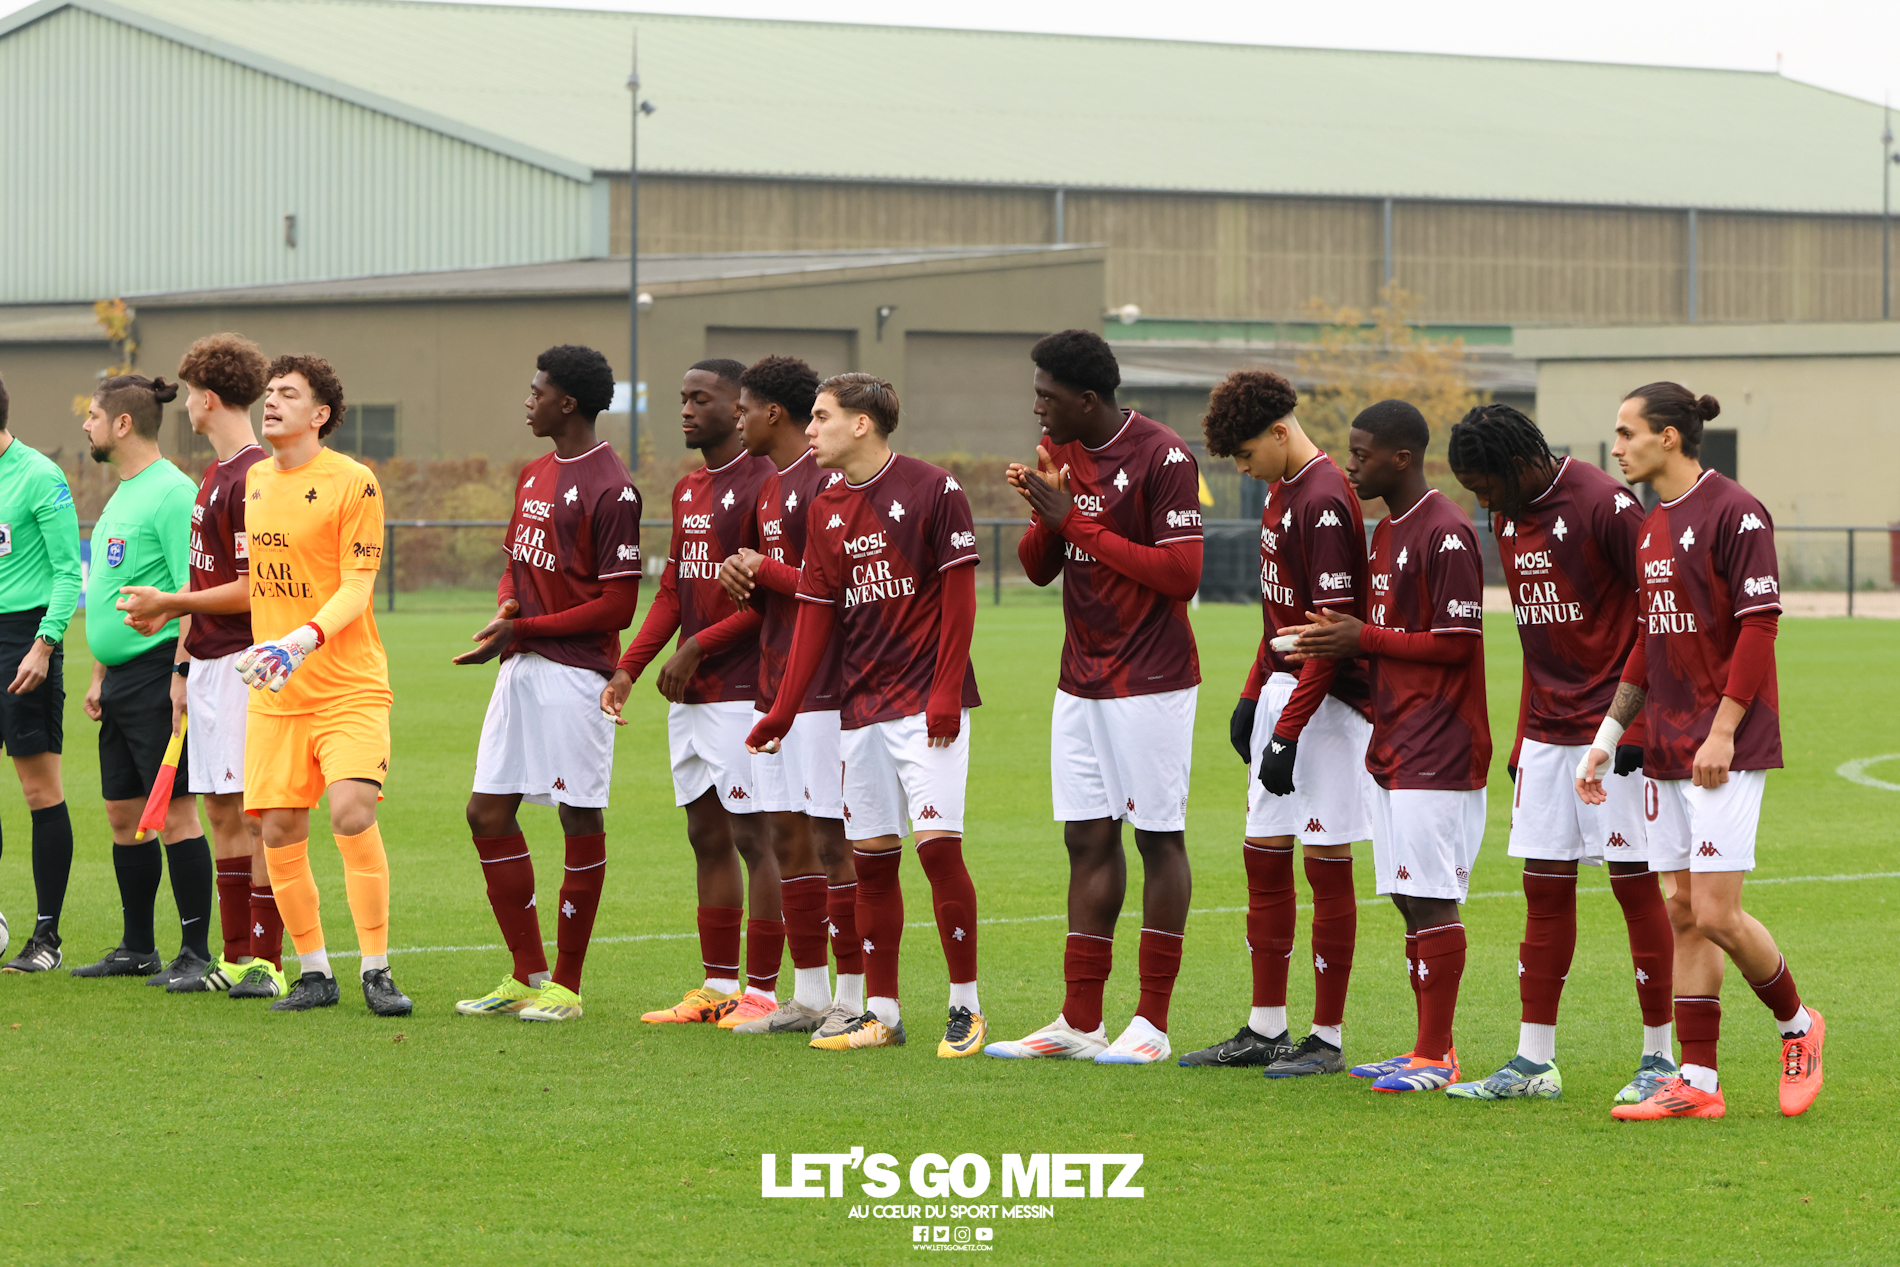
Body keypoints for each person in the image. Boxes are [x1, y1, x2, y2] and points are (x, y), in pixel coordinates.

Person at [1580, 382, 1823, 1121]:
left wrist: (1723, 730)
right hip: (1666, 745)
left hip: (1726, 745)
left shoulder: (1737, 512)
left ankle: (1798, 1023)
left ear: (1671, 438)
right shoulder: (1653, 523)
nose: (1616, 447)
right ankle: (1699, 1083)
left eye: (1627, 433)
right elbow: (1647, 643)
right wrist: (1608, 736)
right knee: (1683, 909)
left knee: (1717, 911)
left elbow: (1759, 627)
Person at [746, 373, 987, 1058]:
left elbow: (960, 601)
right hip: (863, 708)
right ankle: (880, 1012)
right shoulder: (824, 506)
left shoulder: (933, 489)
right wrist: (784, 713)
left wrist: (946, 692)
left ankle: (965, 1007)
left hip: (927, 707)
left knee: (939, 849)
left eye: (821, 417)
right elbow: (816, 620)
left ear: (861, 425)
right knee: (873, 860)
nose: (810, 429)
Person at [1443, 404, 1676, 1104]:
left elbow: (1656, 617)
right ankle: (1533, 1060)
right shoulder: (1506, 515)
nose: (1482, 502)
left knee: (1636, 888)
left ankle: (1659, 1057)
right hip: (1547, 732)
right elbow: (1534, 637)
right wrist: (1522, 736)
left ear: (1518, 464)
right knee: (1542, 889)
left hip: (1614, 730)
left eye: (1485, 485)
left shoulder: (1605, 505)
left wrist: (1630, 728)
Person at [984, 330, 1201, 1066]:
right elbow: (1043, 567)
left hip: (1152, 680)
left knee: (1156, 837)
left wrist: (1072, 515)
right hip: (1080, 678)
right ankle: (1080, 1019)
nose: (1035, 406)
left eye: (1046, 394)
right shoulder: (1068, 456)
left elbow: (1179, 573)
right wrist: (1048, 505)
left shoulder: (1163, 455)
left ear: (1087, 398)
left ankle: (1152, 1023)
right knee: (1086, 839)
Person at [1282, 399, 1488, 1094]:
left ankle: (1439, 1054)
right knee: (1407, 896)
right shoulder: (1382, 533)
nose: (1351, 463)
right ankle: (1425, 1047)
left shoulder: (1448, 532)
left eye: (1363, 452)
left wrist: (1357, 638)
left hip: (1443, 742)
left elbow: (1458, 646)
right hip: (1395, 739)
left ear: (1402, 456)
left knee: (1431, 896)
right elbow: (1378, 634)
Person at [1180, 369, 1371, 1077]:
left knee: (1324, 862)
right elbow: (1278, 616)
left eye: (1246, 453)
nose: (1242, 467)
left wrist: (1289, 729)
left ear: (1281, 432)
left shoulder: (1323, 498)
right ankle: (1265, 1026)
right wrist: (1250, 693)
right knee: (1263, 853)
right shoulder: (1281, 489)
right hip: (1283, 695)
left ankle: (1325, 1036)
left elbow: (1328, 631)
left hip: (1327, 708)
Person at [453, 345, 641, 1023]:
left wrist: (527, 629)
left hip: (575, 674)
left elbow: (619, 605)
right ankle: (524, 972)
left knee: (577, 815)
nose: (527, 401)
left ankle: (565, 984)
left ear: (567, 403)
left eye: (537, 392)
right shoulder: (534, 474)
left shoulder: (611, 487)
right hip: (522, 666)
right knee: (486, 812)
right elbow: (515, 562)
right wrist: (509, 609)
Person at [601, 359, 782, 1028]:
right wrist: (628, 668)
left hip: (744, 690)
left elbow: (773, 602)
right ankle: (715, 986)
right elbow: (674, 589)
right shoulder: (687, 489)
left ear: (739, 408)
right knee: (705, 833)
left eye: (698, 398)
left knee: (753, 834)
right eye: (681, 397)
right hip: (692, 695)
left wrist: (699, 646)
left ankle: (761, 993)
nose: (685, 409)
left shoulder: (767, 483)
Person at [238, 354, 409, 1016]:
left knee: (351, 811)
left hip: (348, 686)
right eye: (269, 392)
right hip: (277, 692)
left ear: (321, 415)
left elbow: (357, 584)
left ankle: (376, 967)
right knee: (278, 828)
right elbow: (259, 586)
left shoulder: (354, 482)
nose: (271, 402)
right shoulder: (253, 479)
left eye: (288, 394)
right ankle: (314, 972)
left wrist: (300, 639)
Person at [117, 334, 280, 998]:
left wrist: (173, 603)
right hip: (208, 666)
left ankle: (265, 960)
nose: (186, 404)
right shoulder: (212, 476)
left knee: (257, 812)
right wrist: (181, 670)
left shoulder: (252, 476)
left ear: (208, 399)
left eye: (189, 393)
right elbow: (199, 576)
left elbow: (253, 587)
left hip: (248, 662)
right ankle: (234, 957)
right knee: (219, 805)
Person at [711, 355, 865, 1037]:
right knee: (783, 832)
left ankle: (856, 995)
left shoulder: (825, 483)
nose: (735, 418)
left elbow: (834, 583)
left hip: (827, 687)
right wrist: (741, 574)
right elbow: (777, 584)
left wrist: (765, 568)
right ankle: (806, 995)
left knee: (834, 837)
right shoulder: (771, 489)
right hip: (774, 682)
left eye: (743, 407)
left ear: (774, 412)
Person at [68, 375, 211, 989]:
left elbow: (194, 594)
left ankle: (196, 952)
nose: (86, 424)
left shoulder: (173, 494)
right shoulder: (123, 491)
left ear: (123, 424)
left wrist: (180, 673)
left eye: (93, 415)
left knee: (174, 812)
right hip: (120, 678)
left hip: (158, 673)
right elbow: (110, 592)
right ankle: (136, 947)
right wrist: (100, 672)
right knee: (124, 812)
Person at [0, 371, 82, 975]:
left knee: (38, 790)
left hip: (23, 640)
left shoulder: (38, 475)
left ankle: (46, 937)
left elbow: (66, 572)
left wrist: (44, 644)